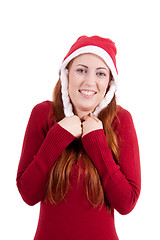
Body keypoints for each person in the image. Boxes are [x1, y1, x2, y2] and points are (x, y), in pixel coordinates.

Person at [16, 35, 141, 240]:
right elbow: (28, 195)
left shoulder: (120, 120)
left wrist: (97, 143)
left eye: (100, 73)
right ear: (66, 75)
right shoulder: (43, 114)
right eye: (81, 70)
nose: (90, 81)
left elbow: (126, 203)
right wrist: (57, 137)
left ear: (109, 82)